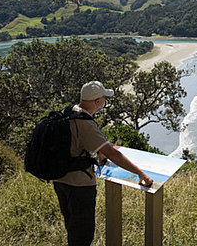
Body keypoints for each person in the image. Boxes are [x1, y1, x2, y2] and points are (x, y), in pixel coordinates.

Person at [53, 80, 153, 246]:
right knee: (82, 235)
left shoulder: (69, 111)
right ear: (97, 102)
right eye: (104, 99)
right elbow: (112, 153)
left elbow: (77, 141)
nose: (105, 103)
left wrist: (98, 152)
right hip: (79, 185)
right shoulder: (85, 122)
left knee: (72, 226)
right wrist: (140, 173)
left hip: (60, 179)